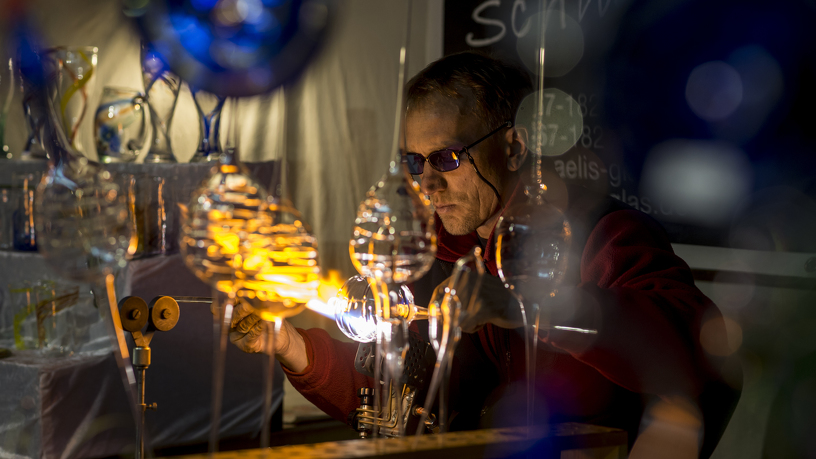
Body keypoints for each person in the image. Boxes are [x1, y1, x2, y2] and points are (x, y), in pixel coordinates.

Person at [228, 51, 740, 457]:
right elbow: (408, 404)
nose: (426, 182)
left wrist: (531, 305)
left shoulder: (603, 235)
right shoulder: (449, 254)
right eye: (413, 160)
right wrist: (293, 347)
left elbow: (696, 355)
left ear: (514, 148)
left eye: (447, 158)